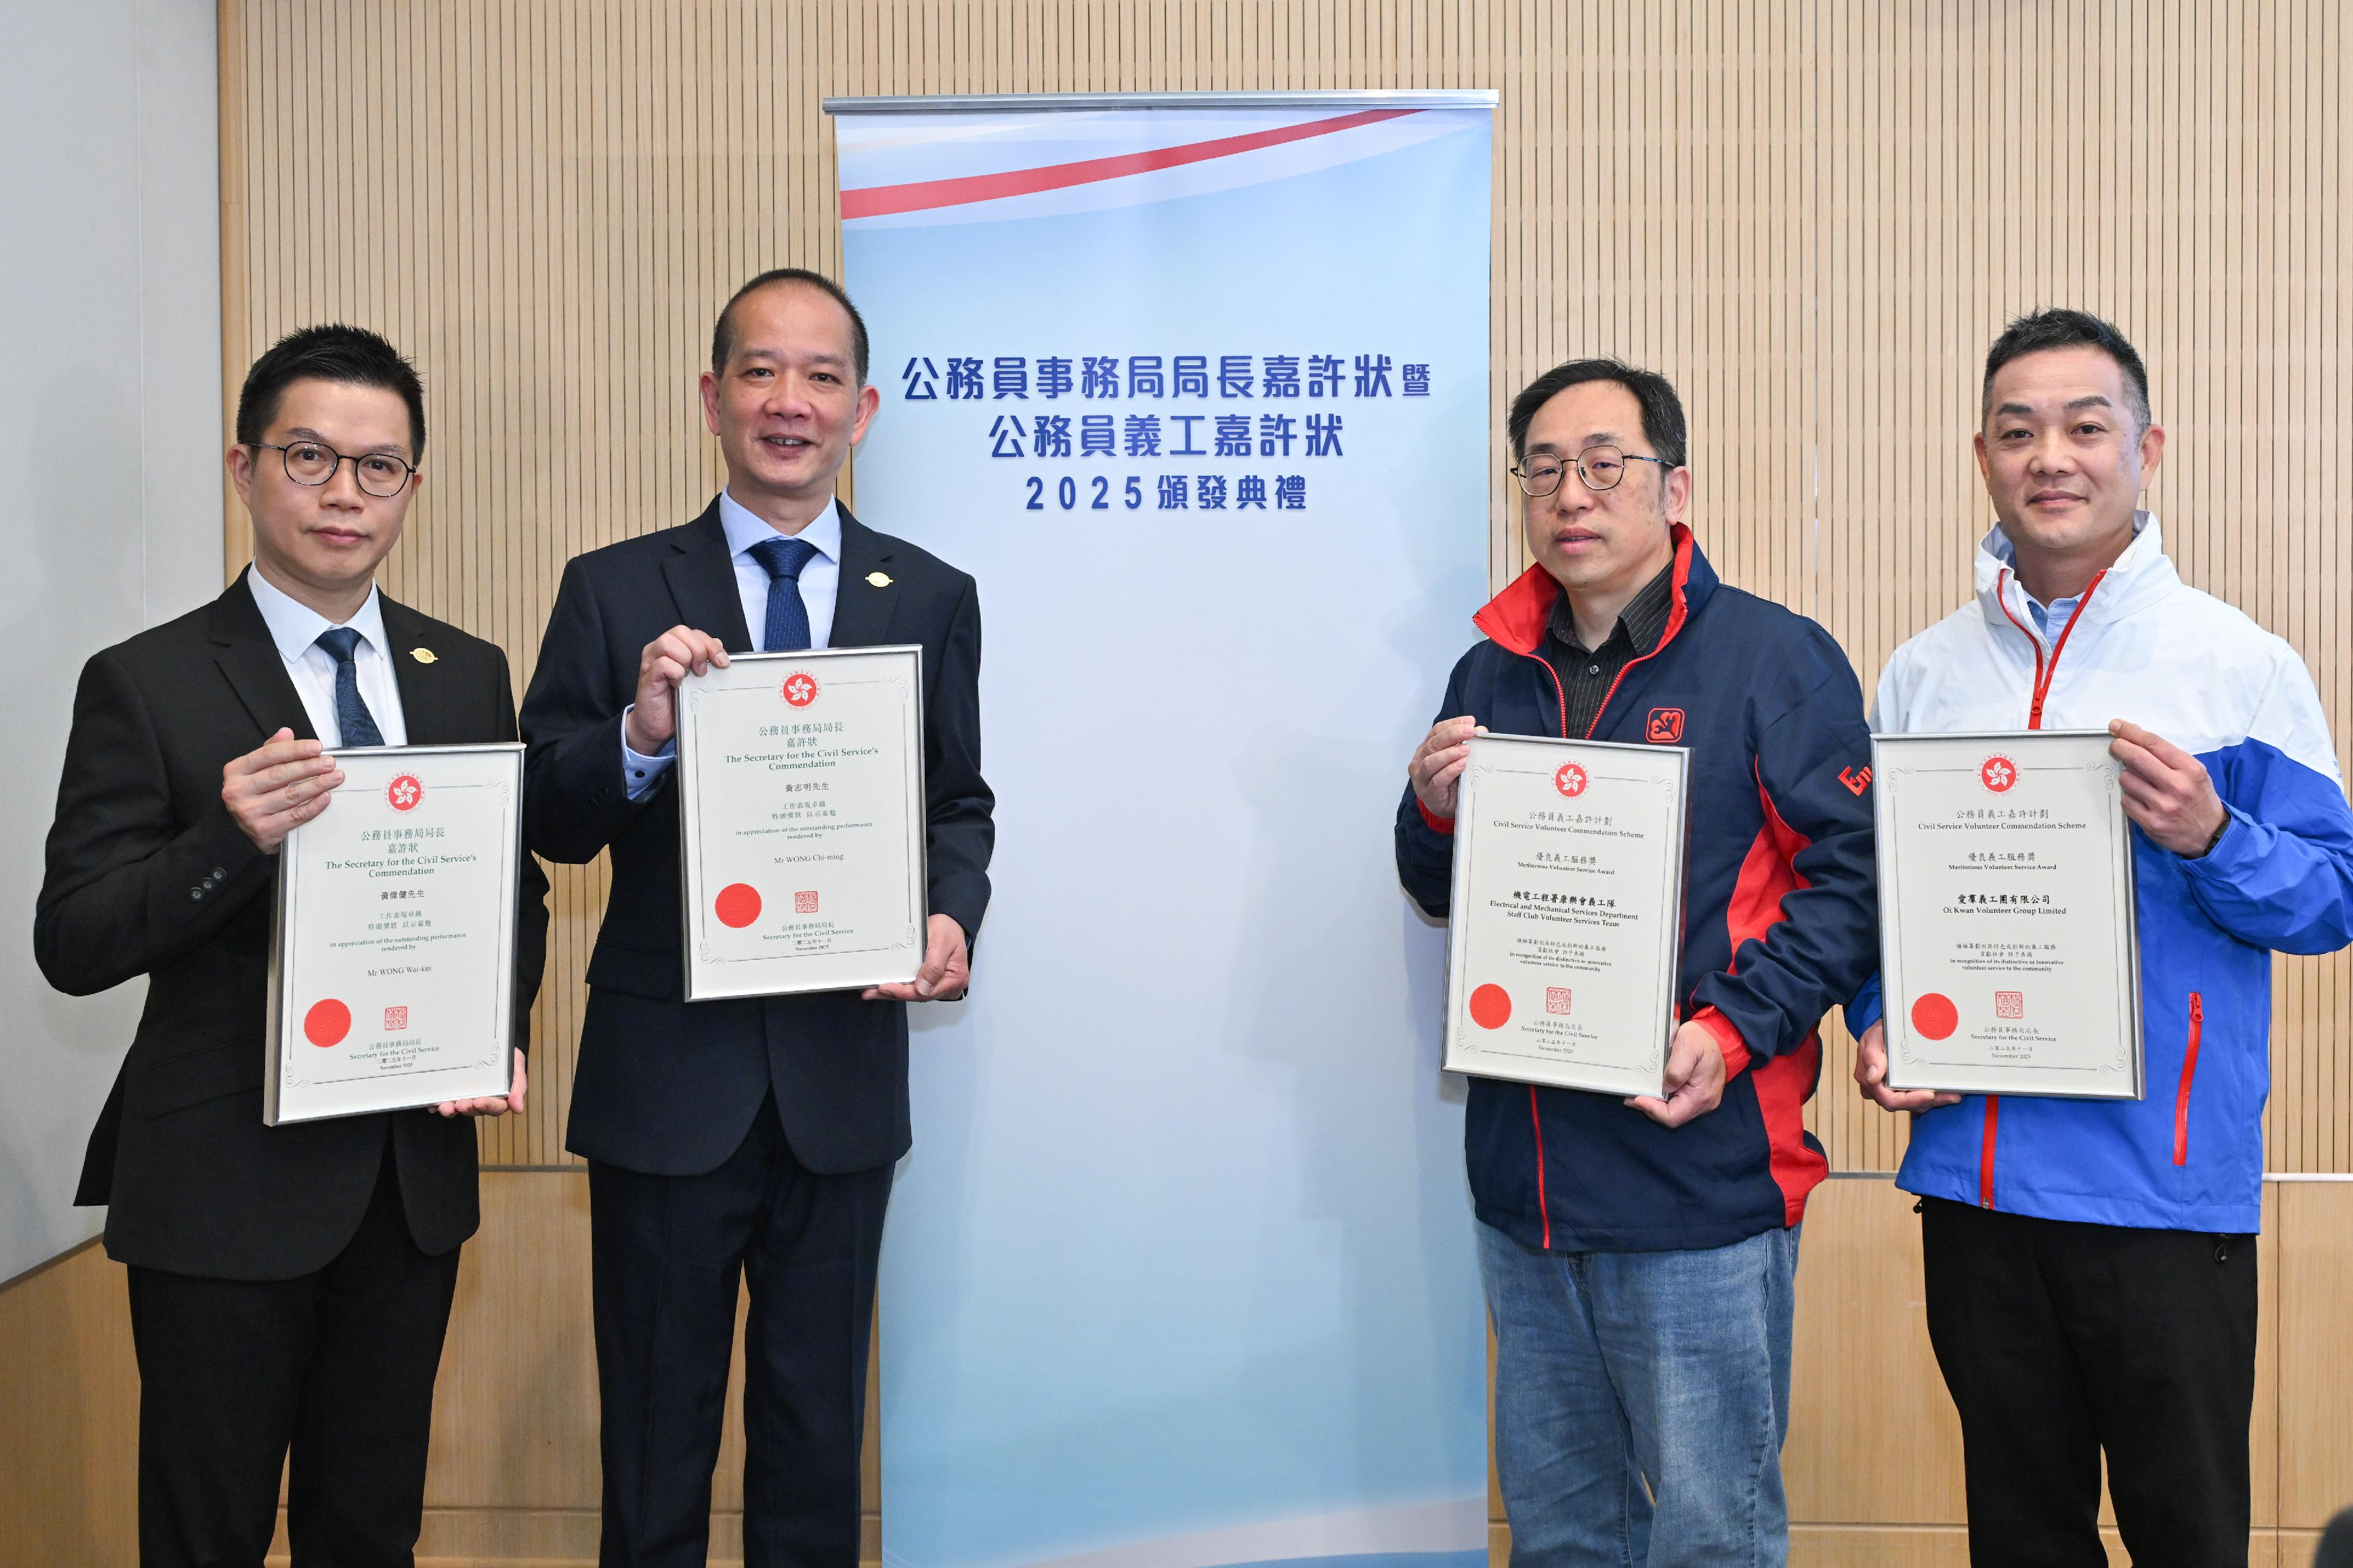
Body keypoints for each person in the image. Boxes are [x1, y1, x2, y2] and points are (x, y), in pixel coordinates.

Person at [35, 323, 549, 1567]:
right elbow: (75, 939)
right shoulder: (145, 681)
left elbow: (510, 894)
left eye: (379, 467)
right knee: (204, 1534)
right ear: (244, 468)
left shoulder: (463, 671)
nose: (343, 493)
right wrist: (228, 833)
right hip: (221, 1192)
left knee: (368, 1530)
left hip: (405, 1190)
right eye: (309, 455)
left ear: (414, 488)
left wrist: (499, 1029)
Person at [1851, 308, 2353, 1566]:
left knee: (2186, 1534)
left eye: (2084, 426)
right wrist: (1873, 1028)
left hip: (2163, 1196)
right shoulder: (1921, 677)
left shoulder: (2235, 664)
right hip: (1971, 1182)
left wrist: (2209, 833)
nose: (2049, 457)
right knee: (2019, 1539)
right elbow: (1878, 905)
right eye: (2017, 432)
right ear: (1981, 456)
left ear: (2146, 446)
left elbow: (2330, 897)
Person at [519, 268, 992, 1565]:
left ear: (864, 408)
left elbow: (957, 801)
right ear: (712, 395)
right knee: (656, 1439)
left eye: (821, 375)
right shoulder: (614, 589)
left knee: (812, 1435)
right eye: (761, 371)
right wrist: (635, 731)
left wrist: (953, 914)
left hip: (840, 1081)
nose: (791, 401)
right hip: (668, 1080)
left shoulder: (927, 596)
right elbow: (548, 816)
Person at [1395, 358, 1879, 1564]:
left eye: (1604, 462)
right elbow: (1434, 890)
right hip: (1528, 1189)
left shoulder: (1775, 659)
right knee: (1563, 1536)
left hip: (1698, 1184)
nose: (1572, 492)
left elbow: (1852, 883)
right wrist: (1428, 810)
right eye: (1544, 468)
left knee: (1710, 1535)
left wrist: (1724, 1031)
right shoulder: (1488, 672)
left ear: (1673, 485)